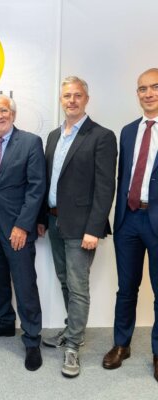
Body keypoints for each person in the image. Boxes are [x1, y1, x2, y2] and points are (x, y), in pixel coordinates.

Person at [38, 76, 117, 378]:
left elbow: (105, 187)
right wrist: (43, 218)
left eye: (77, 95)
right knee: (65, 280)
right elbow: (48, 180)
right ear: (61, 100)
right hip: (55, 220)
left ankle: (73, 345)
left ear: (86, 99)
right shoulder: (53, 136)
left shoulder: (101, 136)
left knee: (78, 286)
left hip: (82, 225)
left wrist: (93, 229)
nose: (71, 100)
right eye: (67, 96)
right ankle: (72, 330)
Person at [0, 94, 46, 371]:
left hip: (17, 225)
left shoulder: (30, 142)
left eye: (3, 110)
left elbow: (36, 186)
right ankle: (5, 322)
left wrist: (23, 225)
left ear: (13, 114)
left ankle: (32, 338)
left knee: (25, 283)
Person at [102, 68, 158, 381]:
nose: (148, 94)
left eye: (154, 87)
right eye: (142, 89)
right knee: (126, 289)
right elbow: (122, 175)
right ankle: (121, 344)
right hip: (128, 220)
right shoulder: (127, 131)